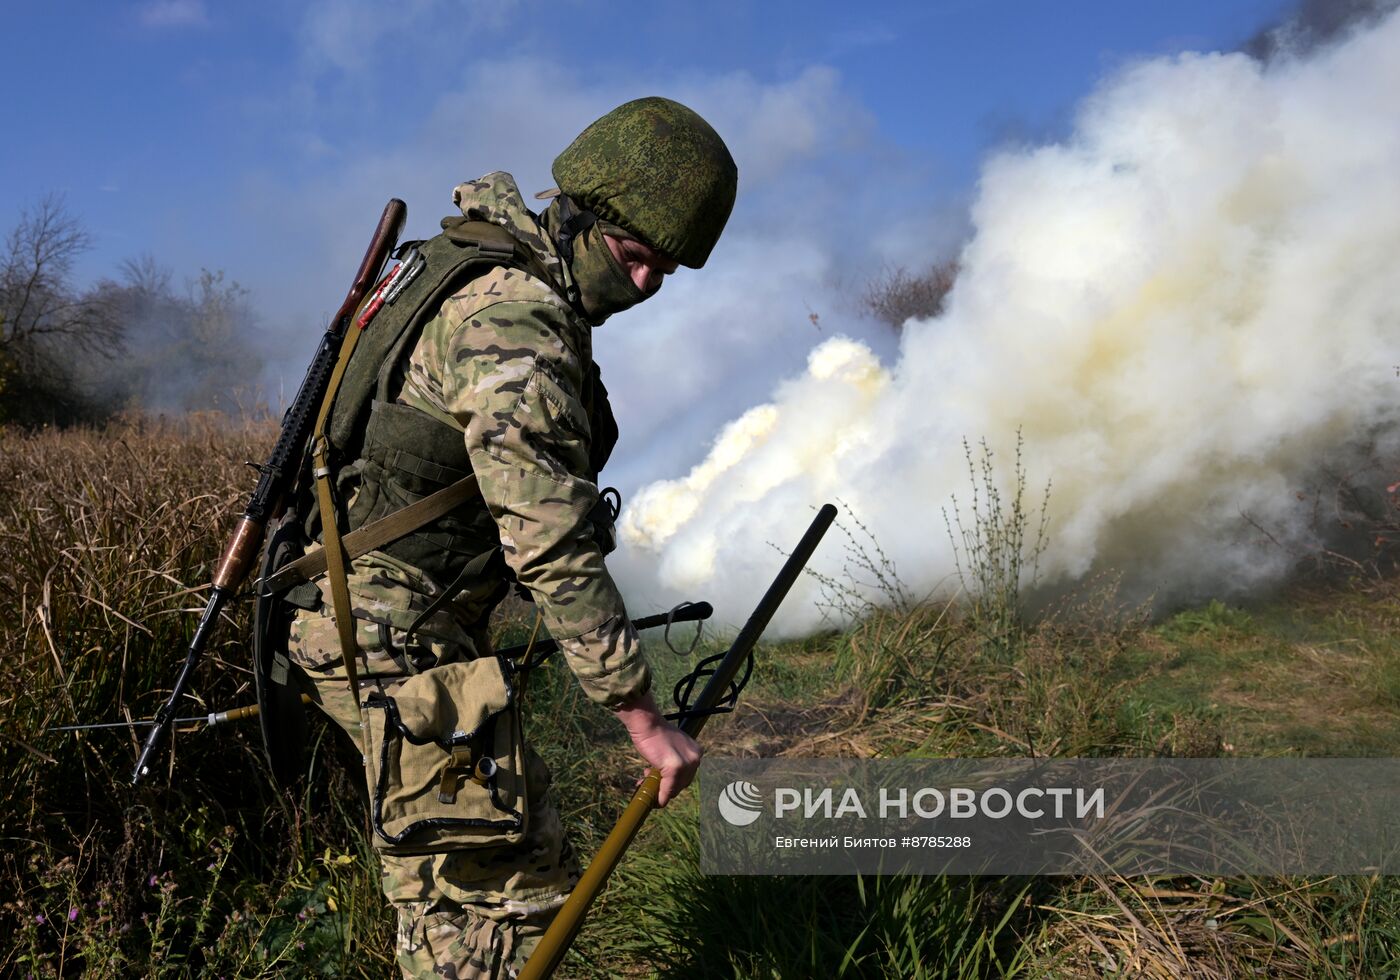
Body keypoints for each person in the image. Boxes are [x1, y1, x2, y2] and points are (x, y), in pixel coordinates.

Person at [283, 97, 738, 978]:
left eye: (668, 273)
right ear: (578, 214)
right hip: (385, 627)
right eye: (636, 257)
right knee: (507, 888)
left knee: (446, 876)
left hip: (370, 616)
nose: (645, 287)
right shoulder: (516, 320)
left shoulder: (463, 262)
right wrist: (640, 715)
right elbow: (549, 534)